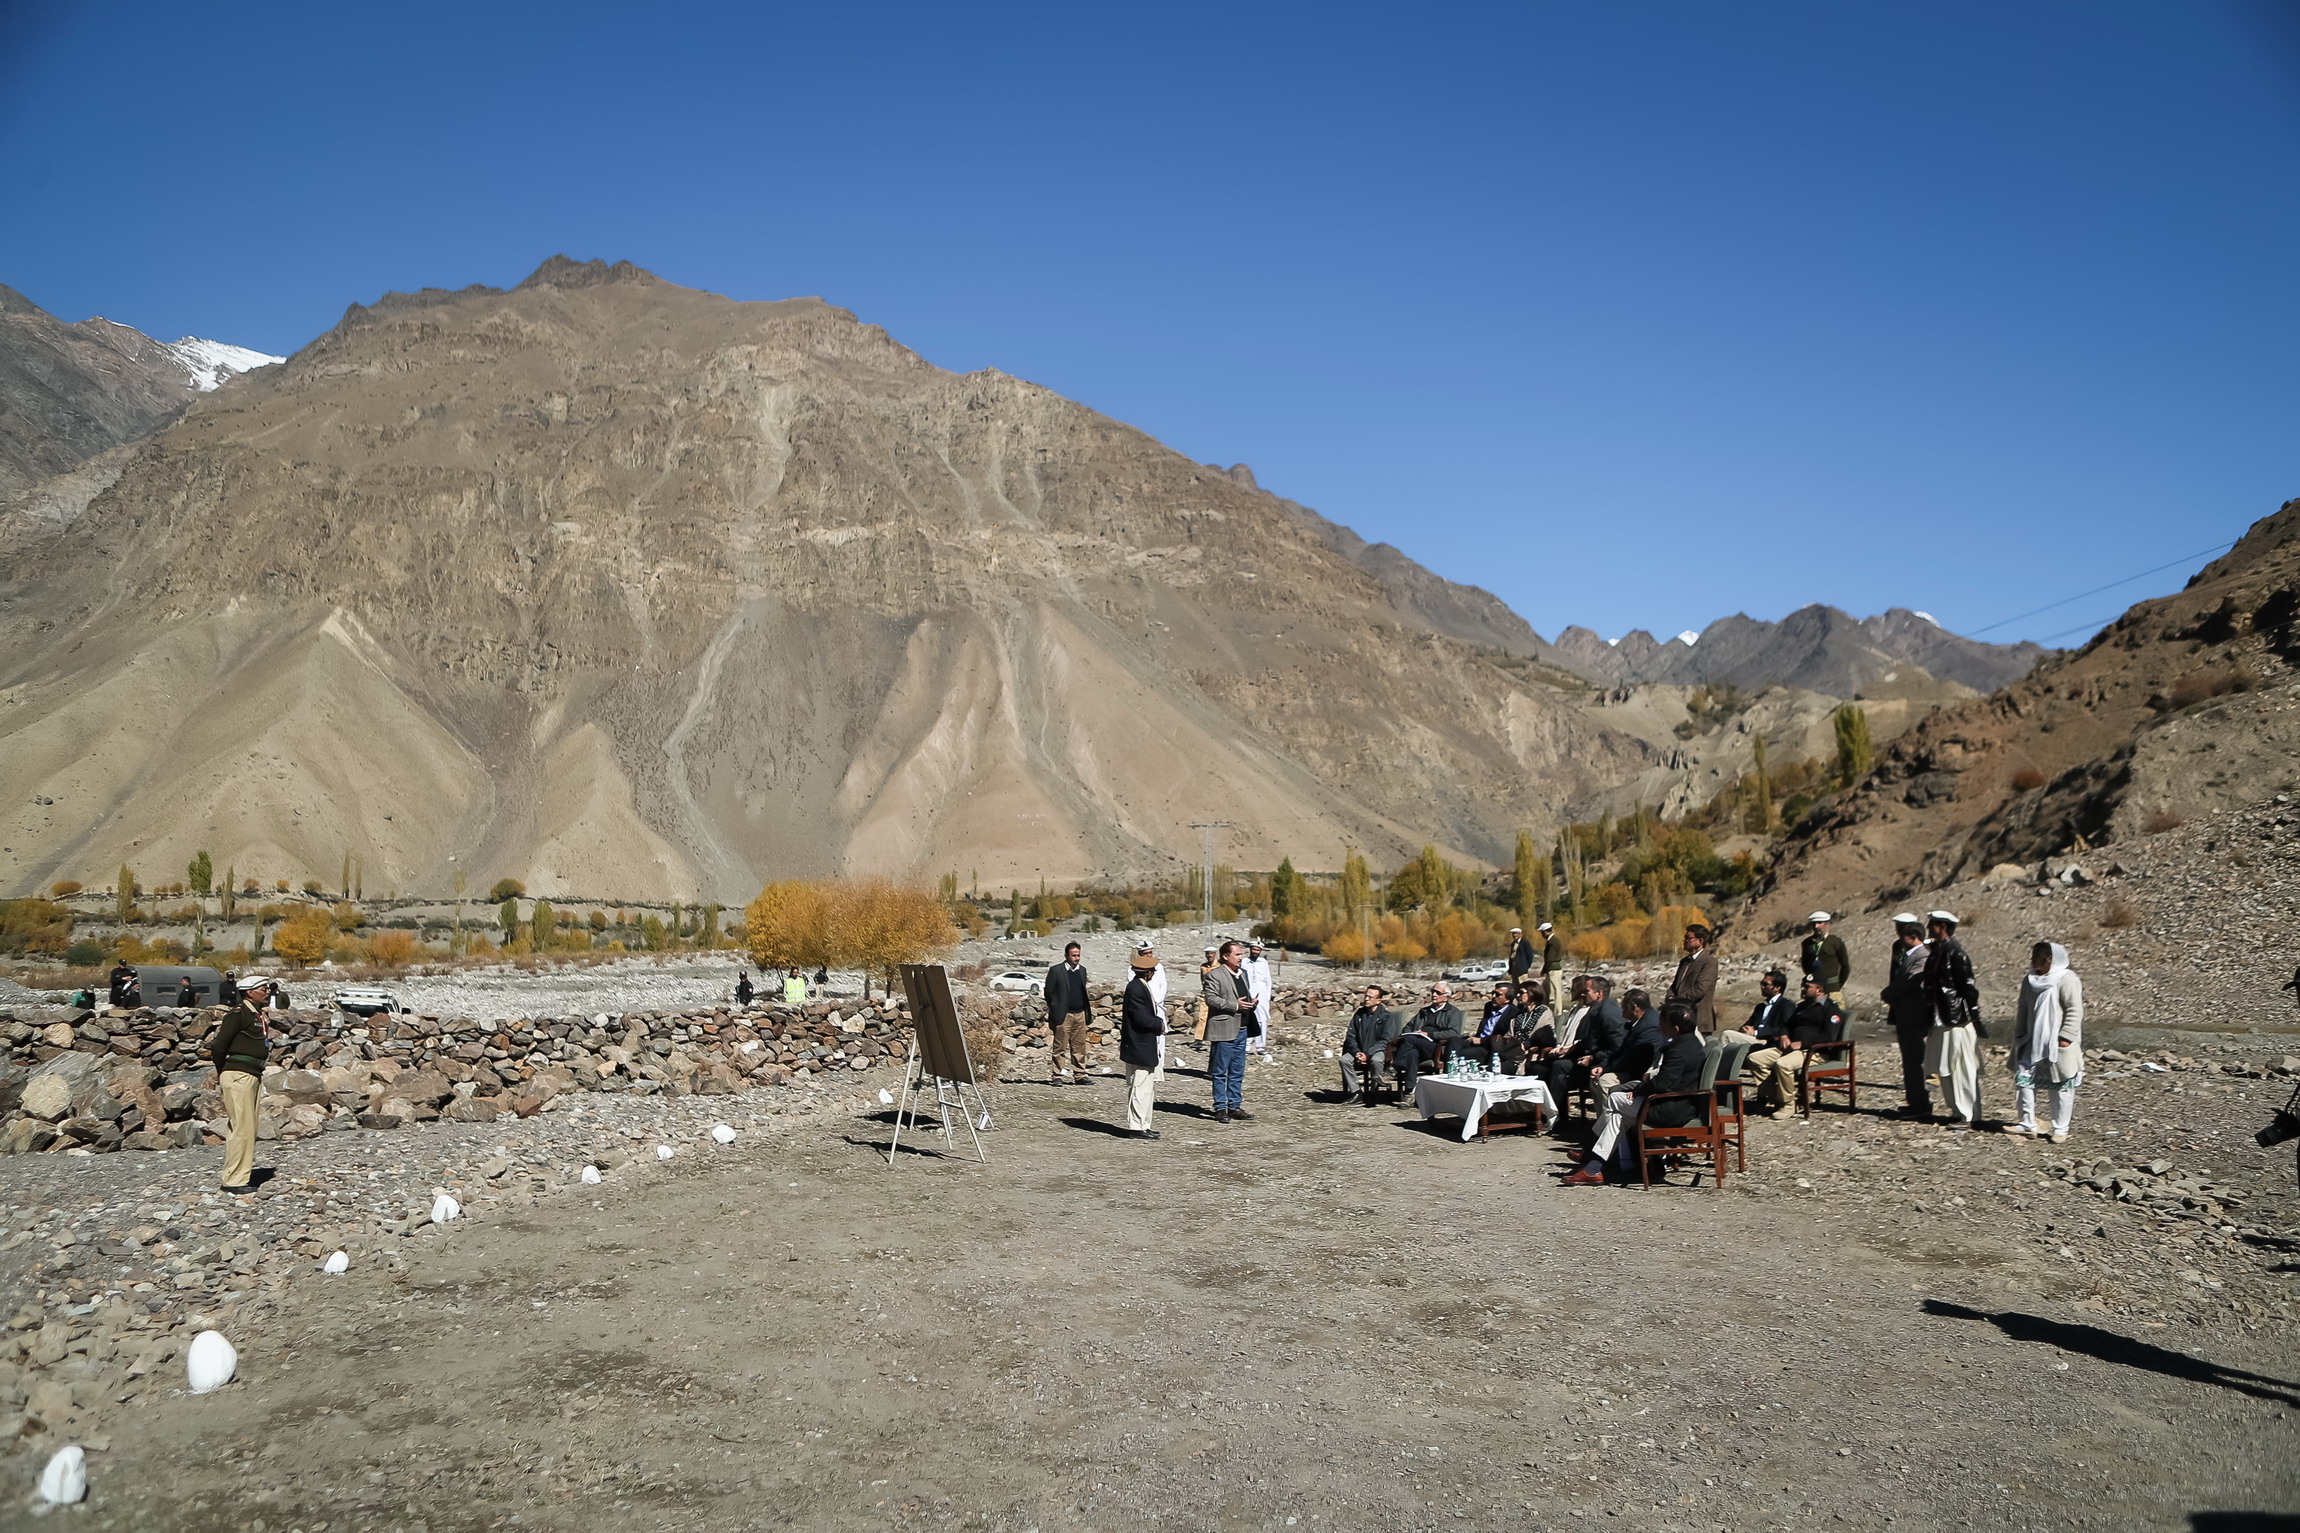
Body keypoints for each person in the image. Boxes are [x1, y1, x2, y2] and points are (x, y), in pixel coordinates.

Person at [1563, 1000, 1704, 1184]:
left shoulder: (1679, 1050)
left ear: (1675, 1028)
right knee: (1617, 1117)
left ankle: (1590, 1152)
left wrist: (1639, 1089)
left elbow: (1663, 1083)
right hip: (1673, 1102)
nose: (1660, 1027)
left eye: (1663, 1023)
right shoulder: (1690, 1044)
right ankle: (1593, 1168)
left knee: (1614, 1100)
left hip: (1671, 1109)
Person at [2009, 941, 2084, 1143]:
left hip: (2057, 1043)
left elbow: (2074, 1010)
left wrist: (2066, 1037)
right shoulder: (2030, 980)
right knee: (2023, 1079)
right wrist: (2019, 1034)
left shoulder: (2066, 979)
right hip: (2031, 1040)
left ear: (2049, 959)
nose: (2032, 961)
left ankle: (2060, 1128)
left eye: (2037, 957)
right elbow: (2023, 1009)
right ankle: (2027, 1123)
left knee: (2060, 1085)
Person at [209, 974, 276, 1193]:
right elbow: (219, 1045)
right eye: (263, 988)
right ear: (249, 992)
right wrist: (223, 1070)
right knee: (242, 1128)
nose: (267, 991)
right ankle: (234, 1180)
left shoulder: (256, 1015)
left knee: (248, 1126)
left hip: (252, 1073)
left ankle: (238, 1175)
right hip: (239, 1073)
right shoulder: (238, 1014)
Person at [1744, 978, 1844, 1113]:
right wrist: (1784, 1035)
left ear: (1819, 991)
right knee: (1755, 1059)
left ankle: (1788, 1105)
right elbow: (1786, 1025)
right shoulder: (1802, 1007)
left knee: (1783, 1064)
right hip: (1791, 1048)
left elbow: (1828, 1037)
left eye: (1807, 987)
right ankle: (1777, 1097)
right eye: (1803, 986)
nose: (1803, 989)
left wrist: (1802, 1043)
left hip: (1814, 1052)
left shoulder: (1830, 1009)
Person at [1921, 911, 1982, 1129]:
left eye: (1932, 924)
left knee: (1960, 1067)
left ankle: (1968, 1114)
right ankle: (1957, 1111)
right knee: (1944, 1067)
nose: (1928, 927)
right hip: (1941, 1019)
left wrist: (1974, 1016)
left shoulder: (1956, 954)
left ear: (1942, 926)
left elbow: (1968, 988)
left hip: (1956, 1020)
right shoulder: (1938, 952)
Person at [1879, 913, 1934, 1118]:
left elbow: (1912, 983)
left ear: (1912, 936)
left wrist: (1889, 993)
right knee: (1909, 1062)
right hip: (1906, 1016)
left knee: (1915, 1062)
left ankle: (1921, 1105)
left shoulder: (1922, 956)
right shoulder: (1912, 955)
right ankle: (1914, 1101)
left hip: (1914, 1017)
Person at [1202, 940, 1253, 1123]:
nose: (1241, 958)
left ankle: (1234, 1105)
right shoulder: (1214, 975)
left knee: (1237, 1070)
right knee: (1220, 1070)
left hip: (1242, 1027)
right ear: (1226, 956)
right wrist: (1234, 1005)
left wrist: (1250, 1002)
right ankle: (1220, 1107)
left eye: (1241, 954)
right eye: (1237, 954)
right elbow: (1211, 999)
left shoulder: (1243, 974)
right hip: (1224, 1028)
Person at [1119, 948, 1167, 1140]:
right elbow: (1140, 1018)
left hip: (1143, 1046)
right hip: (1139, 1046)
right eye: (1152, 970)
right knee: (1139, 1087)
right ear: (1146, 972)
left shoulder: (1139, 986)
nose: (1154, 973)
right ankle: (1136, 1127)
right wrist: (1159, 1024)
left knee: (1147, 1088)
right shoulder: (1136, 989)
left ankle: (1143, 1124)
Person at [1044, 941, 1093, 1085]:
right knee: (1060, 1046)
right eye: (1073, 955)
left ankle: (1080, 1074)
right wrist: (1055, 1008)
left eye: (1078, 955)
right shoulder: (1056, 970)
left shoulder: (1082, 970)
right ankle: (1057, 1075)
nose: (1076, 958)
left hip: (1080, 1013)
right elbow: (1049, 992)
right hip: (1064, 1014)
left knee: (1079, 1046)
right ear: (1066, 955)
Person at [1341, 984, 1401, 1100]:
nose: (1366, 999)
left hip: (1378, 1050)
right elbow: (1351, 1035)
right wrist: (1356, 1052)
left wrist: (1368, 1054)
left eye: (1370, 997)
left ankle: (1374, 1091)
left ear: (1378, 1000)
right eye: (1365, 996)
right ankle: (1356, 1092)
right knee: (1344, 1060)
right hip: (1359, 1049)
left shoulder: (1386, 1017)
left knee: (1377, 1060)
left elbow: (1386, 1040)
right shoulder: (1359, 1014)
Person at [1667, 923, 1720, 1036]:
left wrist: (1676, 1001)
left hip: (1699, 1018)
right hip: (1679, 1017)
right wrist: (1669, 997)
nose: (1685, 941)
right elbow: (1675, 985)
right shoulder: (1684, 962)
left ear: (1700, 941)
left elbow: (1700, 990)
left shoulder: (1709, 962)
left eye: (1688, 938)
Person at [1726, 968, 1792, 1049]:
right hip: (1753, 1038)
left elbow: (1782, 1028)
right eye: (1761, 983)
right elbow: (1748, 1023)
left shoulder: (1786, 1005)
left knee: (1726, 1035)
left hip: (1767, 1041)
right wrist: (1745, 1029)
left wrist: (1756, 1033)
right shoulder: (1761, 1007)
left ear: (1777, 988)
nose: (1762, 987)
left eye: (1765, 984)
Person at [1801, 912, 1851, 1011]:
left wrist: (1837, 985)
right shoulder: (1807, 943)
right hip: (1814, 991)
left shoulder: (1836, 942)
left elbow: (1845, 966)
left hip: (1832, 990)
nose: (1816, 926)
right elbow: (1805, 965)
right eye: (1814, 924)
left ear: (1827, 924)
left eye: (1819, 923)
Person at [1412, 982, 1464, 1063]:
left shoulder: (1452, 1012)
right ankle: (1405, 1073)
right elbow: (1408, 1026)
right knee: (1412, 1051)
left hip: (1435, 1044)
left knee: (1410, 1043)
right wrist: (1411, 1033)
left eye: (1438, 993)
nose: (1434, 995)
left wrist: (1429, 1035)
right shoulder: (1424, 1011)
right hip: (1416, 1040)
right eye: (1433, 992)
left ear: (1446, 997)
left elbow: (1453, 1033)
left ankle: (1394, 1067)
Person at [1242, 940, 1274, 1057]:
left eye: (1258, 950)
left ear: (1260, 951)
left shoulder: (1264, 963)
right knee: (1247, 1019)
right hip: (1248, 994)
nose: (1255, 951)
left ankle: (1261, 1046)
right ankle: (1246, 1045)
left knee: (1262, 1020)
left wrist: (1267, 996)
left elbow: (1268, 980)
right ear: (1250, 950)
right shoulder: (1244, 962)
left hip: (1262, 995)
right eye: (1253, 949)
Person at [1539, 922, 1564, 994]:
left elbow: (1550, 958)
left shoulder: (1552, 942)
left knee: (1555, 991)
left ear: (1545, 932)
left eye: (1542, 933)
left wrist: (1544, 969)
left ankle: (1557, 1006)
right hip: (1553, 968)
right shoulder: (1553, 940)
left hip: (1553, 969)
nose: (1542, 935)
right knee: (1552, 990)